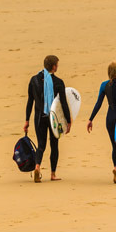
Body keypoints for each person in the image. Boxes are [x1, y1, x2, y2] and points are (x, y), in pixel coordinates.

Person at [23, 55, 72, 183]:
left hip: (39, 117)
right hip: (53, 118)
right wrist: (68, 120)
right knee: (54, 145)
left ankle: (37, 166)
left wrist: (27, 120)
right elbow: (63, 103)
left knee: (41, 145)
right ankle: (53, 173)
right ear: (54, 67)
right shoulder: (58, 82)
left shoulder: (34, 80)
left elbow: (30, 102)